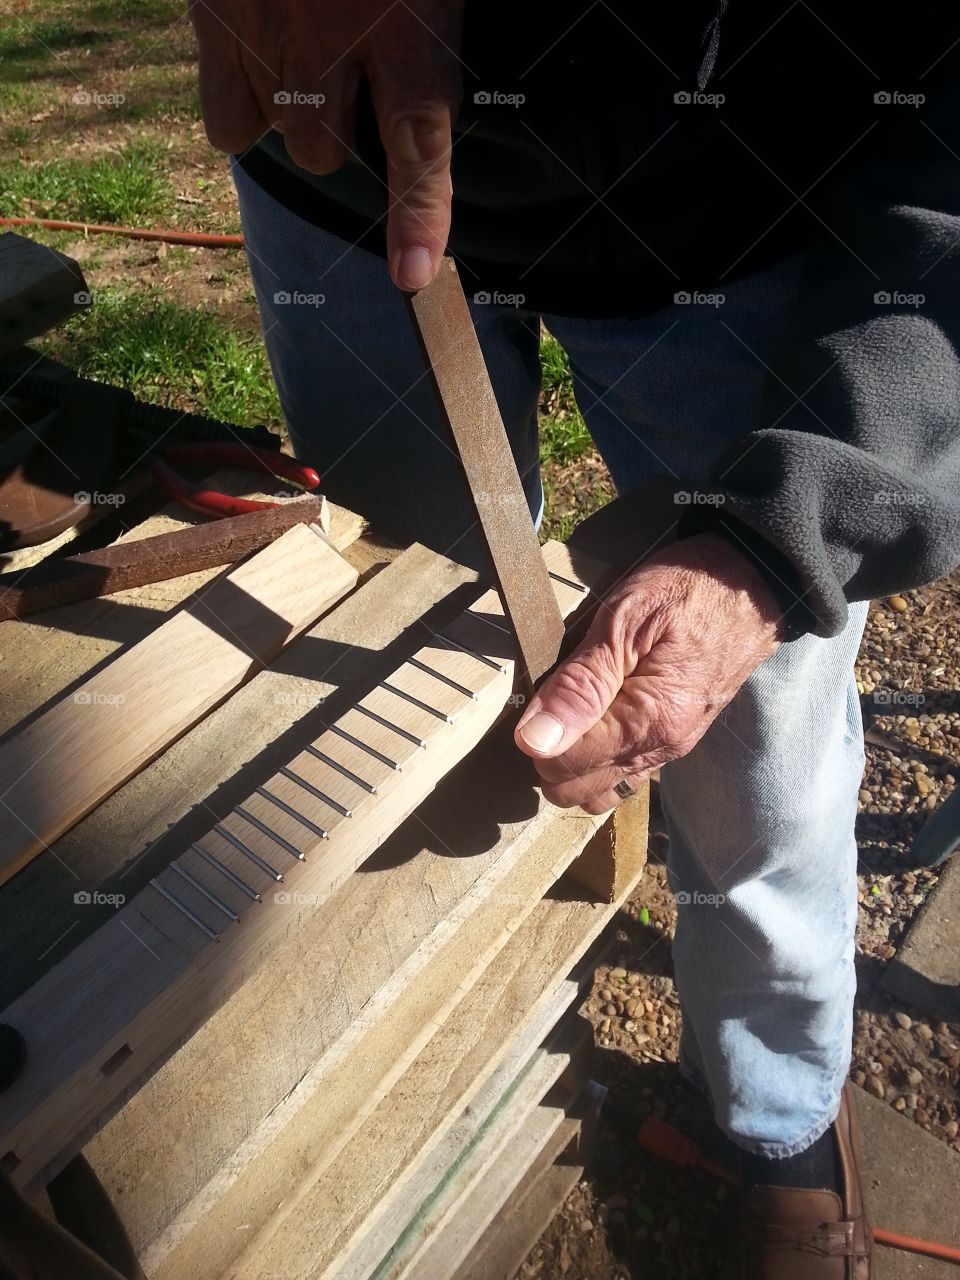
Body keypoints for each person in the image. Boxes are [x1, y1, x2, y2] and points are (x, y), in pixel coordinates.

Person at [189, 3, 960, 1275]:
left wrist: (781, 540)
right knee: (416, 665)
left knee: (755, 750)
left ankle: (778, 1121)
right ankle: (467, 1038)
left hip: (748, 215)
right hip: (343, 174)